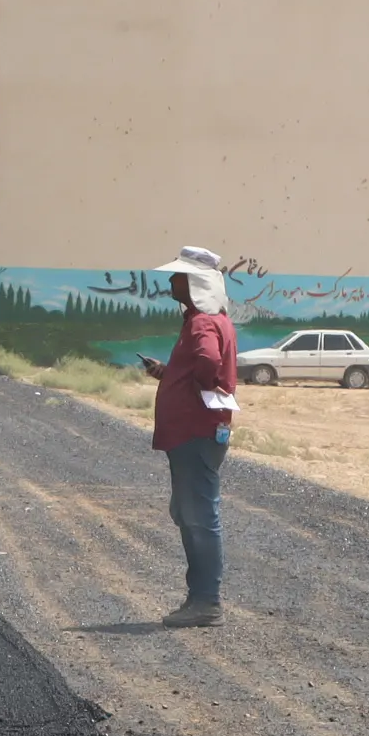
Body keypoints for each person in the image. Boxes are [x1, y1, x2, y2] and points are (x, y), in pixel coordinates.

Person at [137, 247, 239, 627]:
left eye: (178, 276)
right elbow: (202, 366)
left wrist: (197, 386)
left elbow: (209, 364)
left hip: (195, 432)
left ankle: (206, 601)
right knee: (189, 512)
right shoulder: (208, 320)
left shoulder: (201, 324)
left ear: (196, 284)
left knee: (198, 516)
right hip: (199, 432)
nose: (171, 282)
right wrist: (169, 374)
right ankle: (200, 598)